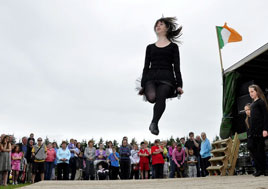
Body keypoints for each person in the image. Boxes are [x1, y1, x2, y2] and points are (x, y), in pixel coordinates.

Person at [138, 17, 184, 135]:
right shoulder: (150, 47)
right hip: (151, 77)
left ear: (167, 28)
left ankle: (154, 123)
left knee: (161, 95)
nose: (158, 26)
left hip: (167, 78)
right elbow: (146, 66)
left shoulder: (173, 47)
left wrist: (179, 85)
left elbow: (177, 67)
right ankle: (154, 121)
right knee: (152, 97)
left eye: (161, 24)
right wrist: (143, 85)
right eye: (156, 24)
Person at [248, 84, 268, 176]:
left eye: (252, 91)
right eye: (249, 92)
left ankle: (264, 170)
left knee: (260, 150)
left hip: (260, 130)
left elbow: (265, 116)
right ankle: (259, 169)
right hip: (253, 131)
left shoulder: (261, 102)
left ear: (257, 91)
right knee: (252, 148)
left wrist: (265, 129)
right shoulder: (252, 104)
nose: (250, 94)